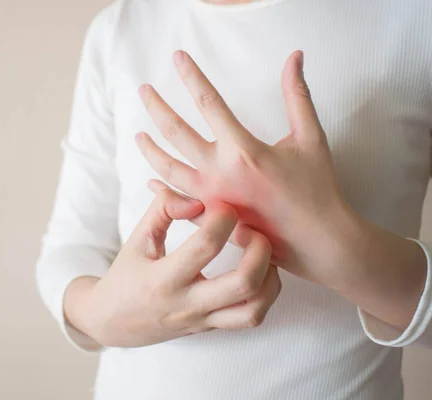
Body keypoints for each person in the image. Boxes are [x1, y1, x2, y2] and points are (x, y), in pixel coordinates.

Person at [36, 0, 432, 398]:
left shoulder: (415, 17)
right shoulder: (119, 28)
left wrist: (336, 246)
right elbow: (72, 246)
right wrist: (103, 317)